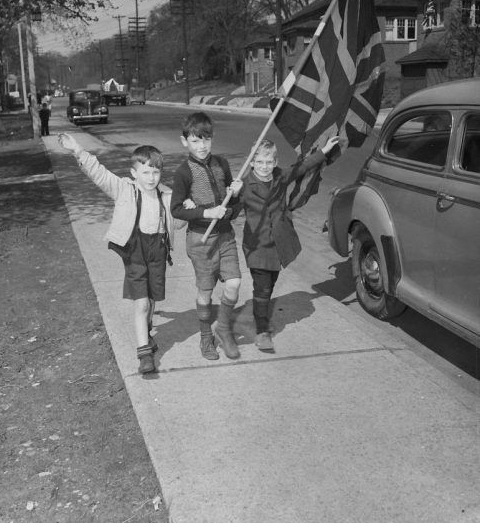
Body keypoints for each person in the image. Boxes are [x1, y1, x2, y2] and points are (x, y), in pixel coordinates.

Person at [58, 133, 177, 375]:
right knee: (141, 303)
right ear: (134, 173)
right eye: (145, 172)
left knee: (152, 298)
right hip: (134, 250)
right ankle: (144, 353)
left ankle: (147, 328)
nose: (151, 178)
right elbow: (99, 173)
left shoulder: (167, 195)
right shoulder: (124, 189)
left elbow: (183, 218)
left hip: (158, 250)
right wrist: (77, 150)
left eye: (156, 172)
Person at [233, 136, 340, 353]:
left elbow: (302, 167)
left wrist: (325, 151)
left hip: (278, 243)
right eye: (260, 162)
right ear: (252, 162)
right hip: (257, 245)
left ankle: (260, 316)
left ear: (275, 162)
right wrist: (233, 195)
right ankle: (262, 331)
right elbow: (231, 213)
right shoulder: (244, 185)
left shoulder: (280, 176)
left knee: (270, 285)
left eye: (269, 162)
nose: (265, 167)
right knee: (262, 288)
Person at [170, 111, 242, 361]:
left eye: (206, 140)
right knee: (206, 292)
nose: (202, 146)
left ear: (212, 139)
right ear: (184, 141)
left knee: (234, 284)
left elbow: (235, 204)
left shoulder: (221, 163)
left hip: (226, 236)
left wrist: (233, 201)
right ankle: (205, 336)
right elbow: (176, 209)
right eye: (195, 140)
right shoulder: (183, 172)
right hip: (201, 241)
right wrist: (206, 212)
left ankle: (222, 328)